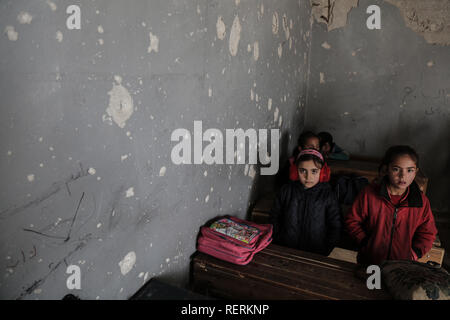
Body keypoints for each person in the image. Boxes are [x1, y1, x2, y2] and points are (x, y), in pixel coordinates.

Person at [345, 145, 437, 265]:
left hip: (402, 266)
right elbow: (352, 221)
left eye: (409, 170)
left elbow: (428, 233)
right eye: (396, 169)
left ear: (416, 172)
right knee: (366, 284)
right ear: (386, 169)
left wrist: (415, 253)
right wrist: (365, 242)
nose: (403, 176)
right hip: (370, 261)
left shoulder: (421, 202)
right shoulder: (369, 194)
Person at [270, 149, 342, 256]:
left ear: (322, 172)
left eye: (314, 171)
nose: (308, 177)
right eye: (303, 171)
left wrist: (326, 248)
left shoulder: (328, 196)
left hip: (316, 251)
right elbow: (274, 216)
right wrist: (278, 238)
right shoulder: (286, 191)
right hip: (286, 247)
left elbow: (335, 225)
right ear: (295, 171)